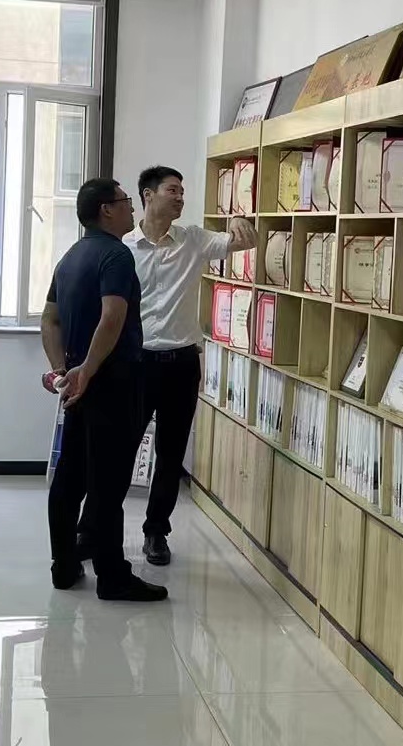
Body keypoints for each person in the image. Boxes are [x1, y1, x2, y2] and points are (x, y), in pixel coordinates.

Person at [78, 166, 254, 566]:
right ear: (147, 195)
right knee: (118, 450)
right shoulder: (121, 247)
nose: (180, 197)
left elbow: (245, 241)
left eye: (182, 191)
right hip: (135, 362)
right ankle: (92, 528)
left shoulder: (193, 239)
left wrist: (238, 221)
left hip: (181, 364)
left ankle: (156, 531)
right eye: (172, 190)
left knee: (171, 454)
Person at [41, 178, 167, 602]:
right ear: (106, 210)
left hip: (79, 386)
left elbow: (49, 319)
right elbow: (113, 316)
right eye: (126, 201)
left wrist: (64, 371)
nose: (132, 207)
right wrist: (90, 370)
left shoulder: (71, 256)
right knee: (109, 484)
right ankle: (113, 577)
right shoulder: (116, 254)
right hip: (112, 382)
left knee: (70, 477)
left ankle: (64, 565)